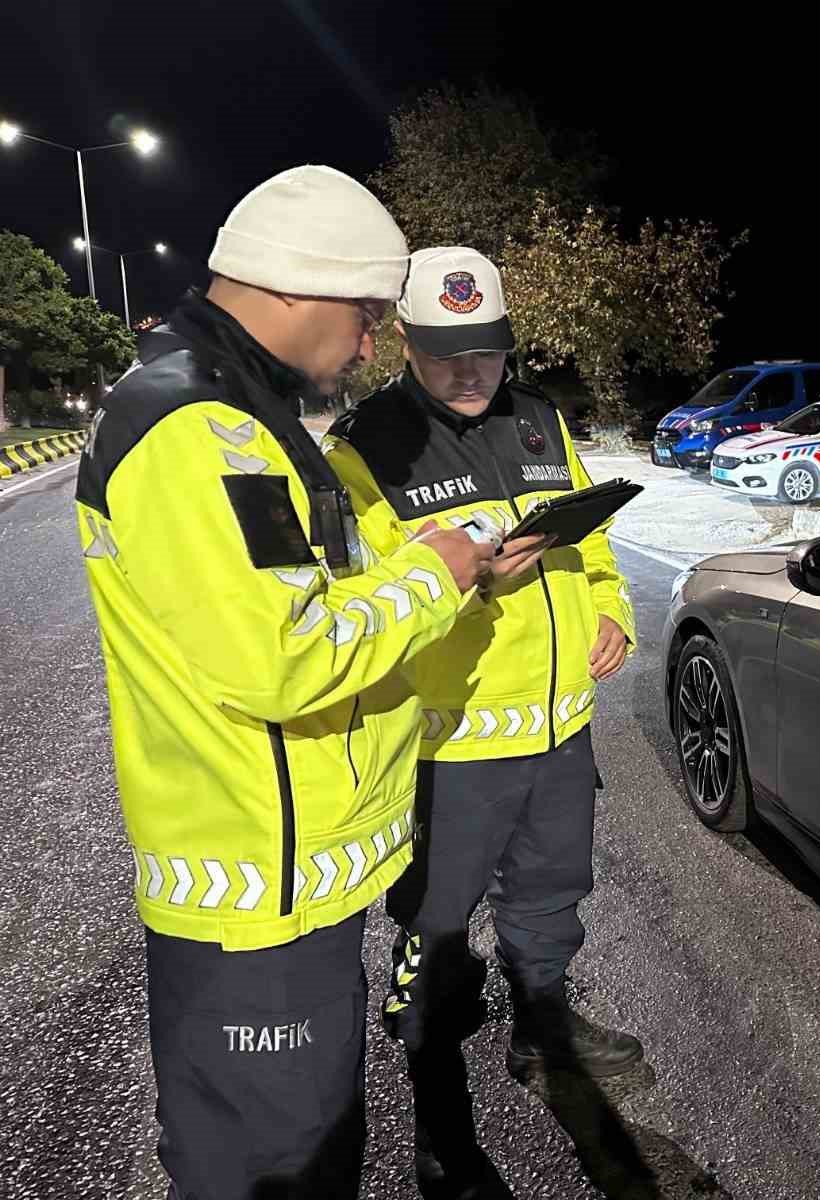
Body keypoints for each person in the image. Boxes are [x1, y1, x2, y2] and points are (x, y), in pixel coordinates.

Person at [73, 166, 495, 1200]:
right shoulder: (192, 427)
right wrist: (431, 578)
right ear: (302, 287)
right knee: (278, 1168)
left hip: (289, 883)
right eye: (363, 316)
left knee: (301, 1151)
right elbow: (284, 655)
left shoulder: (237, 413)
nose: (364, 345)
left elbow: (299, 602)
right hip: (260, 900)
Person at [323, 247, 641, 1198]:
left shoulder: (540, 418)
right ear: (405, 345)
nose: (472, 372)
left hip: (558, 729)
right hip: (449, 746)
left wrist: (613, 607)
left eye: (488, 351)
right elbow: (356, 605)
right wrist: (464, 586)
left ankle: (544, 1027)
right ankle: (439, 1123)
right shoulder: (363, 448)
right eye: (447, 352)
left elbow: (590, 541)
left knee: (551, 896)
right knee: (439, 935)